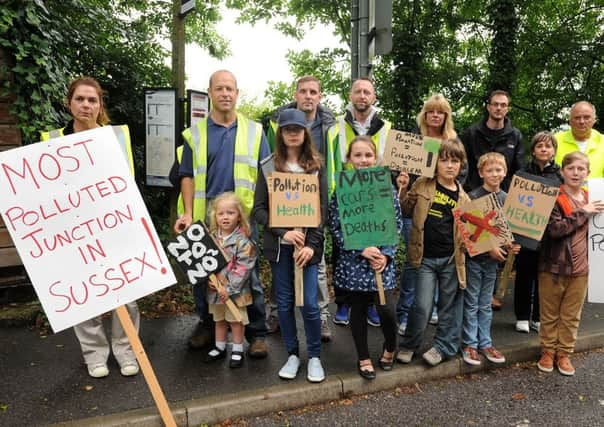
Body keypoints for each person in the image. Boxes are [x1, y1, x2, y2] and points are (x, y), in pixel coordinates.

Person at [40, 76, 139, 378]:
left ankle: (127, 351)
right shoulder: (51, 140)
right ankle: (95, 355)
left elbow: (127, 184)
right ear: (69, 103)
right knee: (84, 296)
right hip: (73, 232)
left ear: (100, 105)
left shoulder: (116, 137)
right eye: (80, 99)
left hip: (113, 227)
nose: (86, 105)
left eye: (92, 100)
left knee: (127, 294)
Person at [174, 70, 270, 358]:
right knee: (204, 276)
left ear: (237, 93)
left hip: (244, 219)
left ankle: (256, 333)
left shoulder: (255, 131)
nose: (225, 93)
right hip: (205, 220)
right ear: (210, 93)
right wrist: (189, 213)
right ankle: (207, 325)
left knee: (247, 277)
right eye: (220, 89)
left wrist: (262, 215)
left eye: (230, 88)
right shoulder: (195, 134)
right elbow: (187, 175)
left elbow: (266, 175)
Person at [252, 108, 327, 382]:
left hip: (307, 250)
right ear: (281, 133)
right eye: (287, 129)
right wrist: (283, 232)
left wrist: (312, 245)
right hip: (280, 248)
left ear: (304, 132)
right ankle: (293, 354)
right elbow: (258, 210)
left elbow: (322, 210)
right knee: (283, 304)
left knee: (308, 302)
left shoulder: (316, 166)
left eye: (297, 129)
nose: (293, 133)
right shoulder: (269, 166)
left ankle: (315, 356)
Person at [265, 76, 335, 341]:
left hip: (312, 207)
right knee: (281, 268)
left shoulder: (332, 127)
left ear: (320, 96)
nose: (308, 95)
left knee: (316, 268)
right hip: (283, 208)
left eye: (313, 92)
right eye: (303, 91)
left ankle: (322, 318)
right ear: (296, 93)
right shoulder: (276, 121)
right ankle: (277, 315)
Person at [329, 136, 404, 379]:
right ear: (349, 159)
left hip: (381, 263)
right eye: (357, 155)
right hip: (354, 263)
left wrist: (386, 255)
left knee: (387, 311)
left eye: (367, 155)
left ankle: (391, 347)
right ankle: (363, 357)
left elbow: (396, 224)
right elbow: (336, 226)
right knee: (358, 311)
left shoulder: (386, 187)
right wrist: (359, 250)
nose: (363, 160)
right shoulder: (342, 189)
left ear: (375, 158)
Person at [396, 138, 470, 366]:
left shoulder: (464, 198)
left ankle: (443, 347)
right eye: (444, 160)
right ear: (435, 163)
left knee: (448, 306)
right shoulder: (422, 184)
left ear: (461, 165)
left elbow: (470, 235)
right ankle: (409, 345)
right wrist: (404, 187)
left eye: (455, 161)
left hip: (450, 260)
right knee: (422, 305)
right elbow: (405, 211)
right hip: (424, 259)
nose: (449, 165)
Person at [329, 77, 392, 327]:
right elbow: (332, 160)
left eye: (367, 92)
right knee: (343, 250)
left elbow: (391, 162)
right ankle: (343, 302)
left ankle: (370, 305)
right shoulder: (335, 126)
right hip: (346, 194)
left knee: (373, 248)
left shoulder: (387, 127)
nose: (363, 96)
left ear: (374, 97)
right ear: (350, 95)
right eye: (358, 91)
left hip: (376, 195)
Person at [536, 152, 604, 375]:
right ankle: (548, 351)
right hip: (553, 267)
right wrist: (582, 212)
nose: (576, 173)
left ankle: (564, 353)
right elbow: (556, 230)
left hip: (582, 268)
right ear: (562, 172)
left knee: (571, 315)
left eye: (580, 169)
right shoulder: (554, 198)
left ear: (588, 173)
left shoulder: (594, 198)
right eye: (571, 168)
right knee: (549, 313)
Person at [396, 94, 457, 336]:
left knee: (438, 258)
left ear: (445, 116)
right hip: (415, 207)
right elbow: (400, 173)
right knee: (414, 262)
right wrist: (399, 179)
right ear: (425, 114)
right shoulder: (413, 140)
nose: (435, 115)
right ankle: (404, 313)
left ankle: (430, 307)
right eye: (431, 111)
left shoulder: (452, 140)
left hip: (442, 210)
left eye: (440, 112)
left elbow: (461, 173)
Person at [461, 153, 519, 366]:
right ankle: (469, 343)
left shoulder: (507, 199)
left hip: (493, 264)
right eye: (490, 170)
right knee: (471, 302)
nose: (495, 174)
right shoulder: (472, 196)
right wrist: (490, 248)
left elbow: (508, 230)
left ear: (505, 172)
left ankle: (485, 342)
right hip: (475, 260)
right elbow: (468, 230)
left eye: (499, 170)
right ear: (481, 173)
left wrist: (511, 244)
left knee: (485, 303)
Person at [513, 132, 562, 333]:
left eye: (548, 146)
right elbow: (514, 205)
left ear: (554, 151)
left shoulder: (560, 176)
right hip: (526, 234)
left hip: (550, 235)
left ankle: (538, 317)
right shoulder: (522, 174)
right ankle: (522, 316)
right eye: (540, 146)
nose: (544, 149)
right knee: (524, 276)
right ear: (533, 150)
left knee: (545, 278)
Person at [202, 193, 256, 369]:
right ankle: (220, 347)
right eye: (221, 213)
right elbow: (202, 260)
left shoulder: (243, 242)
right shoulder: (210, 238)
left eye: (230, 213)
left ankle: (238, 349)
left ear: (239, 216)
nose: (225, 217)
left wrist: (229, 287)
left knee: (235, 320)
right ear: (215, 216)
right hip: (215, 290)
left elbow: (243, 268)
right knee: (219, 319)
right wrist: (208, 280)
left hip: (235, 292)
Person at [462, 89, 525, 193]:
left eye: (503, 105)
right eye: (495, 104)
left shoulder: (515, 136)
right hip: (474, 194)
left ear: (507, 109)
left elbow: (519, 170)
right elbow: (463, 165)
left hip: (504, 195)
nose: (499, 108)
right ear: (488, 107)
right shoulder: (471, 133)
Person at [555, 101, 604, 178]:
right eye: (577, 118)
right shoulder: (554, 141)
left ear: (594, 120)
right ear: (570, 121)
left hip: (597, 190)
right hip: (560, 190)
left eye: (586, 117)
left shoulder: (602, 141)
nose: (582, 121)